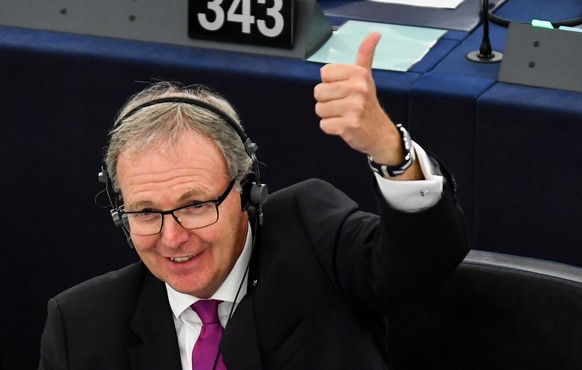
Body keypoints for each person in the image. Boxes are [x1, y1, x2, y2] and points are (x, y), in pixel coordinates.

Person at [39, 33, 469, 369]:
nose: (172, 238)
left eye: (194, 206)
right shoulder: (81, 327)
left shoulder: (313, 239)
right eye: (146, 212)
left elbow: (425, 257)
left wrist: (390, 150)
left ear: (246, 190)